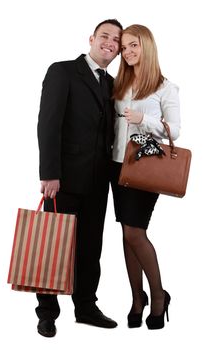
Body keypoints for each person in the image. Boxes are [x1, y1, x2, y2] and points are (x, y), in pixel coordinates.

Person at [36, 18, 122, 337]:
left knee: (90, 248)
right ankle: (47, 312)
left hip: (99, 182)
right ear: (91, 38)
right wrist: (49, 173)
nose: (110, 43)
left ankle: (85, 306)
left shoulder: (112, 85)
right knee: (53, 245)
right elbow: (48, 123)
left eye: (116, 40)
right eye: (105, 36)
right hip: (64, 179)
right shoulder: (62, 71)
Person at [111, 24, 180, 329]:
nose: (127, 52)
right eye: (124, 48)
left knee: (134, 233)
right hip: (116, 165)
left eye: (133, 46)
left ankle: (158, 296)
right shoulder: (120, 84)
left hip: (145, 163)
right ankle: (137, 299)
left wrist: (144, 119)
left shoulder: (165, 87)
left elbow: (175, 131)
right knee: (126, 236)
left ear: (147, 46)